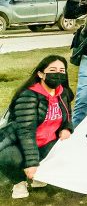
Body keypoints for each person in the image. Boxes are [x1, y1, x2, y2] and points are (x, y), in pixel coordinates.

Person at [0, 56, 73, 199]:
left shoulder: (62, 92)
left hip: (47, 142)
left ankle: (39, 174)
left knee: (71, 149)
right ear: (40, 74)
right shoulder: (29, 95)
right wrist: (32, 163)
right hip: (20, 143)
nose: (57, 74)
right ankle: (19, 181)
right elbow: (26, 132)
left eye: (62, 71)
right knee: (8, 157)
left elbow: (68, 115)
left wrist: (67, 128)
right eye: (52, 70)